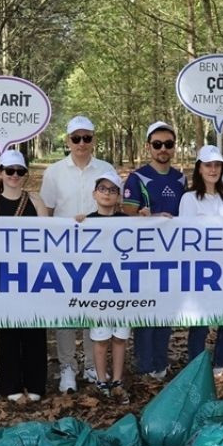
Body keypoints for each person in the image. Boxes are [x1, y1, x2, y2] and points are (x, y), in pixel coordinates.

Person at [40, 115, 114, 392]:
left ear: (94, 139)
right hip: (64, 250)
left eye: (87, 138)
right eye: (76, 138)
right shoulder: (54, 172)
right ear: (67, 141)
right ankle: (68, 367)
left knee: (94, 307)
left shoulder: (106, 169)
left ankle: (93, 366)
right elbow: (46, 211)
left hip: (99, 249)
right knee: (67, 310)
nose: (81, 143)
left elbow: (113, 204)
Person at [0, 149, 49, 402]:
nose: (14, 176)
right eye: (9, 171)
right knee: (8, 332)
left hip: (33, 275)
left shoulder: (37, 203)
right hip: (4, 275)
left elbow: (48, 238)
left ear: (25, 175)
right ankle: (10, 385)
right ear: (0, 173)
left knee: (34, 330)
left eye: (19, 171)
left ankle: (35, 383)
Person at [123, 121, 185, 380]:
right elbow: (126, 209)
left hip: (172, 253)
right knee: (146, 308)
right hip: (144, 253)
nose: (163, 149)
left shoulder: (180, 177)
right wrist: (143, 214)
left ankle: (161, 361)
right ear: (149, 146)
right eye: (158, 144)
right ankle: (144, 364)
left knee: (165, 309)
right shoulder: (137, 177)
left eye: (168, 144)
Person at [179, 145, 223, 377]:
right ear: (199, 169)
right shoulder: (189, 199)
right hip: (201, 268)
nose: (213, 170)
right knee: (200, 321)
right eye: (208, 165)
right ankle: (196, 366)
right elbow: (185, 234)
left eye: (217, 165)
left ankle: (221, 364)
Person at [83, 168, 130, 401]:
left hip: (123, 289)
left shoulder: (127, 222)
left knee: (120, 338)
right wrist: (73, 224)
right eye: (102, 189)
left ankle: (118, 380)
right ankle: (102, 380)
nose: (107, 194)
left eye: (112, 190)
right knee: (100, 339)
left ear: (118, 196)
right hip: (98, 290)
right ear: (94, 193)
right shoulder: (86, 221)